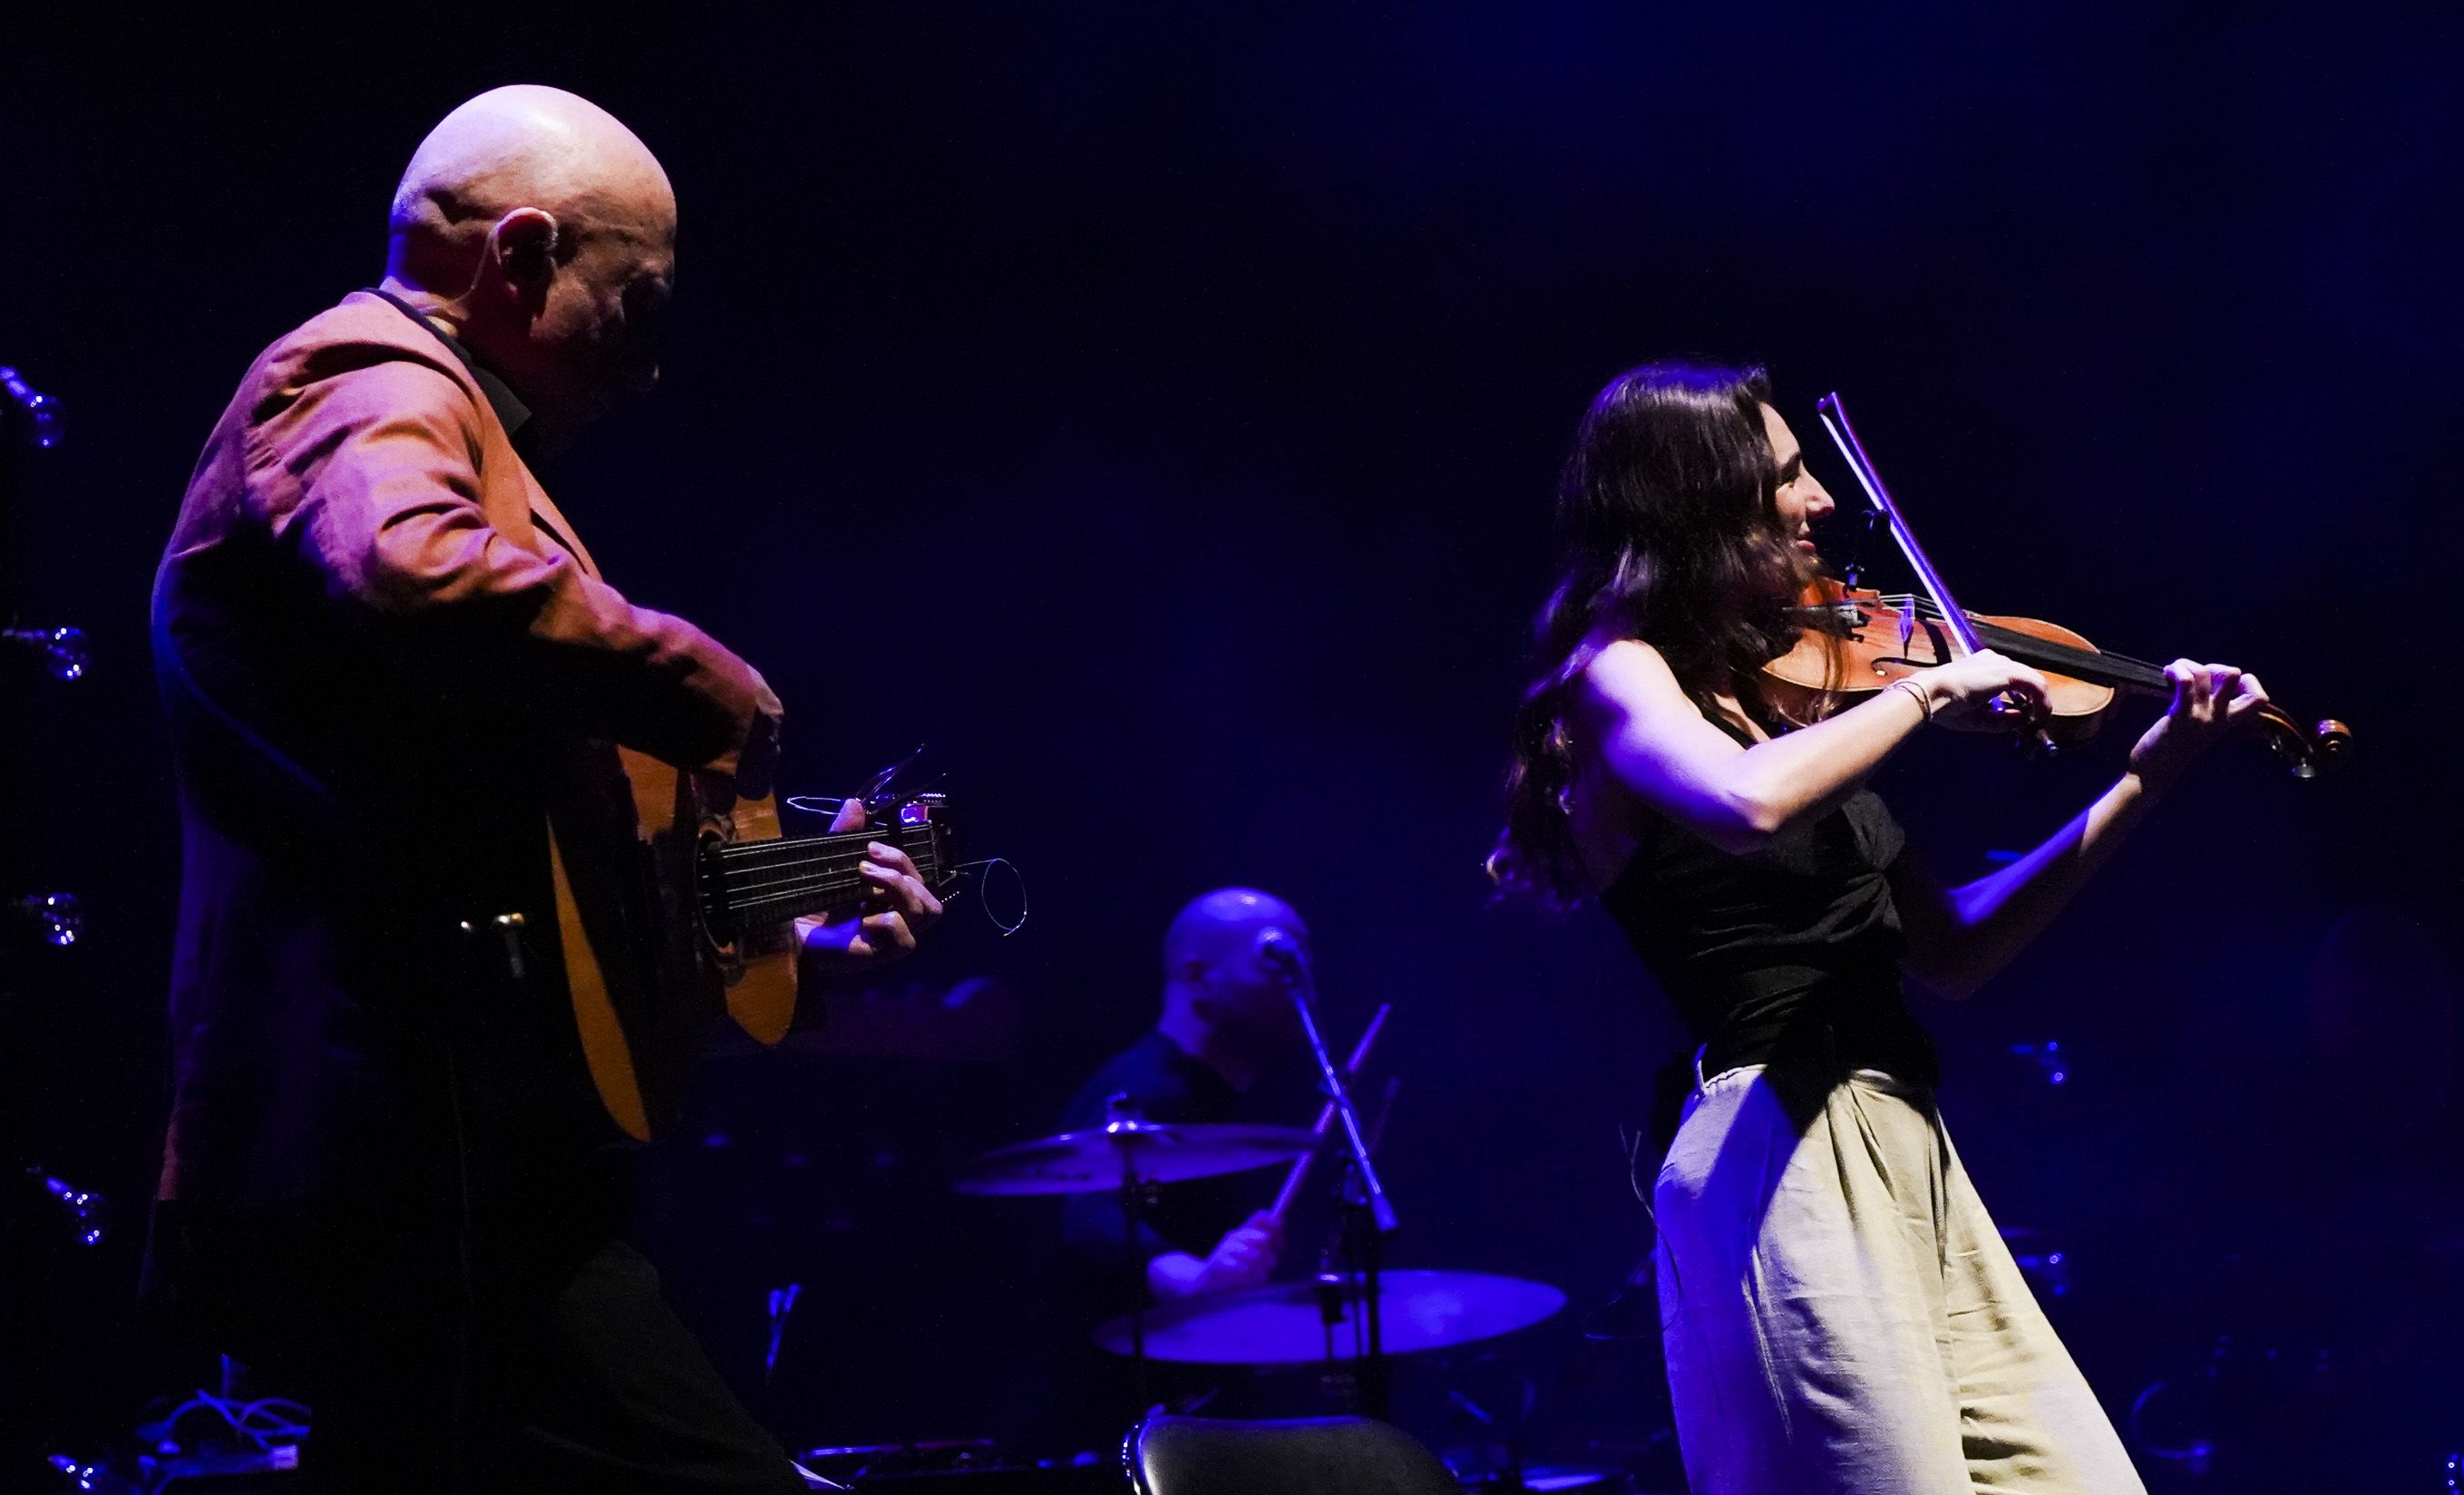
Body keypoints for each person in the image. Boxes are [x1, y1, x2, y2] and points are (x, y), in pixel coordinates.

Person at [146, 86, 942, 1492]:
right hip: (413, 1146)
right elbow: (406, 569)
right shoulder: (364, 379)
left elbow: (530, 862)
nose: (647, 367)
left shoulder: (448, 426)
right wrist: (703, 682)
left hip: (453, 1141)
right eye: (633, 304)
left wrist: (790, 944)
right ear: (518, 257)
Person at [1487, 362, 2267, 1494]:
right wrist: (1927, 691)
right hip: (1774, 1142)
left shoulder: (1793, 707)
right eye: (1785, 478)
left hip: (1902, 1134)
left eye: (1811, 471)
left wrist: (2146, 779)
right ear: (1695, 505)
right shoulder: (1620, 677)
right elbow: (1744, 805)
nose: (1818, 503)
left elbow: (1951, 954)